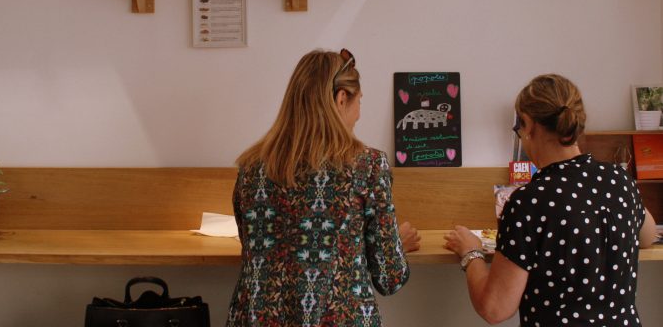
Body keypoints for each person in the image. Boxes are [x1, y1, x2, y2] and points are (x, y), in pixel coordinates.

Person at [444, 74, 658, 326]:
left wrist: (471, 253)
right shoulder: (619, 180)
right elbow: (648, 235)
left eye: (519, 128)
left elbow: (495, 308)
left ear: (528, 124)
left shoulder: (529, 202)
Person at [226, 49, 419, 327]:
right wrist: (397, 244)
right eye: (359, 102)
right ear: (341, 99)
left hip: (255, 319)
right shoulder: (368, 166)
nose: (358, 114)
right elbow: (390, 278)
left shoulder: (251, 167)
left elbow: (255, 248)